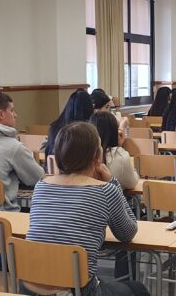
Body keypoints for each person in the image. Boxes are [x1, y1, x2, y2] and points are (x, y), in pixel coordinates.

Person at [27, 122, 147, 296]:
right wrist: (112, 182)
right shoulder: (105, 190)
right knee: (138, 289)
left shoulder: (41, 185)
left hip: (31, 285)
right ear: (96, 158)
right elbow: (128, 232)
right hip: (76, 289)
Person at [89, 112, 140, 189]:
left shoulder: (85, 154)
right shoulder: (120, 155)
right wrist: (119, 146)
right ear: (114, 131)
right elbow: (132, 183)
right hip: (113, 198)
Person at [45, 89, 95, 157]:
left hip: (52, 166)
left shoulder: (54, 127)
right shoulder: (85, 134)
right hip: (73, 166)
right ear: (89, 109)